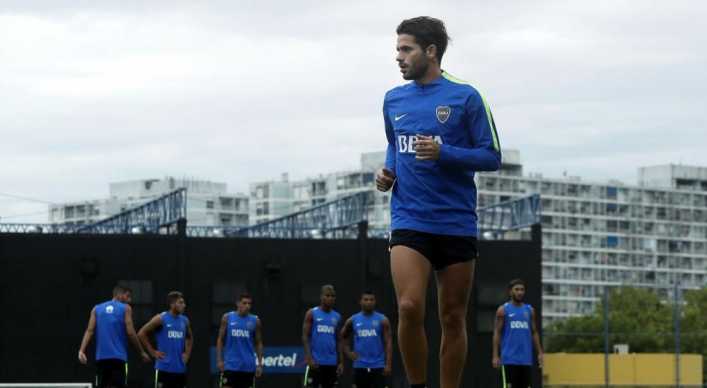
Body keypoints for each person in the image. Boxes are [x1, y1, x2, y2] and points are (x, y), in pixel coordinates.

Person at [376, 16, 502, 388]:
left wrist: (445, 152)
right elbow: (393, 144)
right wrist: (388, 171)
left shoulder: (466, 96)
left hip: (456, 222)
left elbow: (491, 156)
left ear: (430, 51)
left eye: (406, 49)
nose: (398, 57)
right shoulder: (393, 99)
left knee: (451, 317)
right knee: (409, 307)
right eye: (397, 49)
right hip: (409, 219)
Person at [78, 285, 150, 388]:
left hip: (101, 359)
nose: (129, 300)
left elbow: (89, 331)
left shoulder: (96, 309)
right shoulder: (126, 308)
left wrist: (81, 350)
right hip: (118, 358)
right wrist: (141, 352)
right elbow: (130, 333)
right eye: (128, 296)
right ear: (119, 295)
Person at [492, 279, 543, 388]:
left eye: (522, 290)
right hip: (509, 359)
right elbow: (497, 332)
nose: (520, 292)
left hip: (526, 360)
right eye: (517, 289)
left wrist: (540, 353)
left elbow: (534, 332)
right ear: (510, 292)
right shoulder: (503, 310)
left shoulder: (529, 310)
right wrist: (496, 356)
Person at [138, 291, 193, 388]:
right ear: (172, 304)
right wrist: (152, 352)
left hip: (180, 370)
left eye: (184, 303)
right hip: (164, 369)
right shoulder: (161, 318)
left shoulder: (185, 320)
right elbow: (141, 333)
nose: (184, 305)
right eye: (180, 302)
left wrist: (187, 354)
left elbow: (189, 338)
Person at [340, 290, 392, 388]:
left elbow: (388, 342)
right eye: (366, 299)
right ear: (360, 301)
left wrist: (388, 364)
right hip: (360, 366)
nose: (369, 302)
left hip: (378, 366)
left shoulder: (383, 320)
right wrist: (348, 352)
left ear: (375, 301)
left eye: (371, 300)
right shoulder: (353, 320)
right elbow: (343, 336)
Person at [217, 292, 264, 388]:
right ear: (238, 303)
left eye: (249, 304)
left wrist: (259, 364)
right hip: (230, 365)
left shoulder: (255, 321)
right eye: (244, 303)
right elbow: (220, 340)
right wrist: (219, 360)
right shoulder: (227, 318)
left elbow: (259, 343)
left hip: (248, 367)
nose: (247, 306)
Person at [302, 285, 343, 388]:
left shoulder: (337, 316)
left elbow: (339, 340)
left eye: (333, 296)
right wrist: (309, 358)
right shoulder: (312, 313)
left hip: (332, 363)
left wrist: (341, 362)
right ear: (321, 297)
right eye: (327, 295)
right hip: (316, 363)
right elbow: (305, 337)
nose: (330, 298)